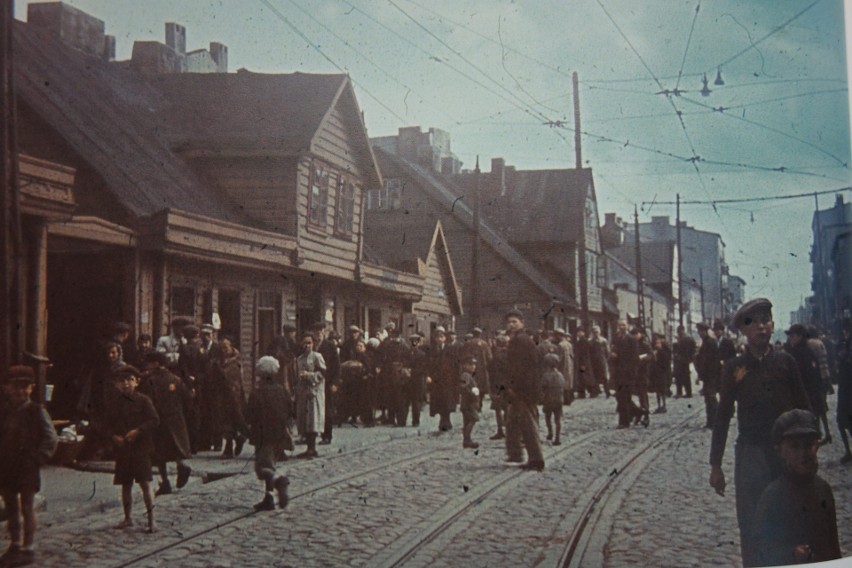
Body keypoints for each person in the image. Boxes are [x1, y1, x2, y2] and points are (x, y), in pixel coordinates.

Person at [708, 298, 811, 567]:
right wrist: (715, 464)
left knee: (790, 523)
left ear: (773, 325)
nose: (761, 328)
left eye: (765, 321)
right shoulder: (734, 368)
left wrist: (808, 451)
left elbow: (805, 409)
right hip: (751, 456)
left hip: (785, 457)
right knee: (752, 524)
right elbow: (723, 416)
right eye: (753, 323)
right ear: (743, 330)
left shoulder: (786, 362)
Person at [753, 409, 841, 565]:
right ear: (779, 451)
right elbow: (762, 548)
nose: (803, 453)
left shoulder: (822, 489)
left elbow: (832, 543)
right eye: (794, 447)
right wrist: (792, 553)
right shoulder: (773, 496)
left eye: (809, 445)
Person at [0, 366, 58, 567]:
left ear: (31, 388)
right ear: (6, 388)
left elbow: (51, 438)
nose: (20, 391)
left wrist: (37, 458)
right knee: (10, 507)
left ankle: (28, 548)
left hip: (27, 466)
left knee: (26, 506)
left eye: (25, 387)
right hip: (7, 465)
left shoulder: (37, 411)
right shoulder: (5, 411)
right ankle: (15, 544)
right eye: (15, 387)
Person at [105, 366, 160, 533]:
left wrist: (138, 431)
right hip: (123, 449)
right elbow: (106, 425)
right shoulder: (115, 402)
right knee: (125, 485)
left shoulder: (144, 401)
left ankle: (152, 521)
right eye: (123, 381)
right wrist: (114, 437)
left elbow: (154, 420)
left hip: (140, 448)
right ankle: (128, 518)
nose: (126, 384)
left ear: (137, 382)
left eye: (130, 380)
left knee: (145, 483)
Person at [139, 352, 192, 496]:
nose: (147, 365)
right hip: (176, 419)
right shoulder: (175, 379)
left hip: (158, 421)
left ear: (156, 364)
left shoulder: (149, 381)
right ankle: (182, 466)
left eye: (149, 363)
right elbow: (188, 397)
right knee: (176, 447)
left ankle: (165, 482)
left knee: (159, 454)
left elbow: (146, 401)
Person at [246, 356, 291, 511]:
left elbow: (250, 414)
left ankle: (279, 480)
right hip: (279, 434)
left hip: (263, 434)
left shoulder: (257, 393)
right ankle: (269, 498)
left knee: (262, 468)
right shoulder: (282, 390)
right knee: (270, 464)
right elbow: (289, 409)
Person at [503, 309, 545, 471]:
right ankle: (515, 454)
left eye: (514, 322)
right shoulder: (519, 339)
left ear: (522, 323)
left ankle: (536, 460)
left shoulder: (521, 340)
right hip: (521, 388)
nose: (511, 325)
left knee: (527, 424)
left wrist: (515, 388)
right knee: (512, 422)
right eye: (509, 322)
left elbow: (523, 369)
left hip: (523, 390)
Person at [295, 332, 326, 458]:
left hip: (314, 391)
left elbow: (323, 373)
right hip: (303, 391)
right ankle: (308, 447)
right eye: (305, 343)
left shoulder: (317, 357)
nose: (307, 345)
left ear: (313, 344)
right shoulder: (300, 359)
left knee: (313, 419)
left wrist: (310, 376)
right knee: (304, 419)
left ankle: (312, 448)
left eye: (309, 343)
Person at [611, 320, 643, 429]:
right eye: (620, 325)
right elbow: (614, 351)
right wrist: (613, 356)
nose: (621, 327)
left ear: (627, 326)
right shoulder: (616, 338)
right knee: (621, 398)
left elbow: (635, 357)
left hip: (628, 373)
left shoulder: (631, 339)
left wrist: (633, 373)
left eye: (623, 325)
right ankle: (638, 412)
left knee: (624, 397)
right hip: (619, 373)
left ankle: (624, 422)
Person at [695, 322, 720, 429]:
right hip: (708, 375)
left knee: (711, 399)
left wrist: (702, 372)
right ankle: (711, 422)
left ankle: (716, 421)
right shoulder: (706, 342)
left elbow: (710, 361)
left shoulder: (710, 342)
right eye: (699, 331)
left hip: (711, 375)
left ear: (705, 331)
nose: (700, 333)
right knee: (708, 399)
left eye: (701, 331)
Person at [487, 334, 510, 440]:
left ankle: (500, 430)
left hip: (497, 385)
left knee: (498, 409)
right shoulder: (511, 355)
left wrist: (491, 387)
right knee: (508, 408)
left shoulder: (495, 356)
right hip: (509, 385)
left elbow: (491, 371)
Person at [540, 353, 565, 445]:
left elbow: (542, 387)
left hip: (549, 399)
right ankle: (557, 438)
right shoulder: (560, 375)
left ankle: (550, 432)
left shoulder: (545, 375)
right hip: (559, 399)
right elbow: (563, 385)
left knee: (548, 417)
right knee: (557, 420)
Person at [836, 321, 852, 463]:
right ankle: (848, 451)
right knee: (843, 422)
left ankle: (848, 452)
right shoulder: (845, 346)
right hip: (845, 389)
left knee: (844, 422)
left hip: (848, 390)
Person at [458, 357, 480, 449]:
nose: (473, 366)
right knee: (473, 419)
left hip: (468, 402)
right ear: (466, 365)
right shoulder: (466, 375)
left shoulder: (469, 375)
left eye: (474, 365)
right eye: (470, 365)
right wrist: (472, 393)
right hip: (468, 402)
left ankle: (467, 440)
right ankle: (466, 440)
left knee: (467, 421)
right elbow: (463, 387)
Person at [672, 325, 696, 398]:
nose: (679, 333)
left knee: (684, 377)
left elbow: (689, 350)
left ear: (682, 330)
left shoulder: (686, 339)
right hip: (682, 360)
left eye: (679, 331)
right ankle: (683, 392)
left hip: (683, 360)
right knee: (681, 376)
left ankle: (686, 392)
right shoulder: (686, 338)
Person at [650, 334, 671, 414]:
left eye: (658, 343)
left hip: (662, 374)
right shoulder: (654, 352)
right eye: (656, 343)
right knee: (657, 391)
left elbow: (665, 364)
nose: (657, 345)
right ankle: (659, 406)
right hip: (656, 374)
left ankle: (664, 405)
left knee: (662, 391)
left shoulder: (663, 352)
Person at [589, 326, 610, 397]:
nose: (595, 334)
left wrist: (606, 359)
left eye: (597, 332)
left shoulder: (603, 341)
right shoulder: (590, 341)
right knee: (594, 376)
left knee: (604, 376)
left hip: (602, 360)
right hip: (593, 361)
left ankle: (607, 392)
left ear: (600, 332)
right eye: (594, 332)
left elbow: (607, 352)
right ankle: (595, 391)